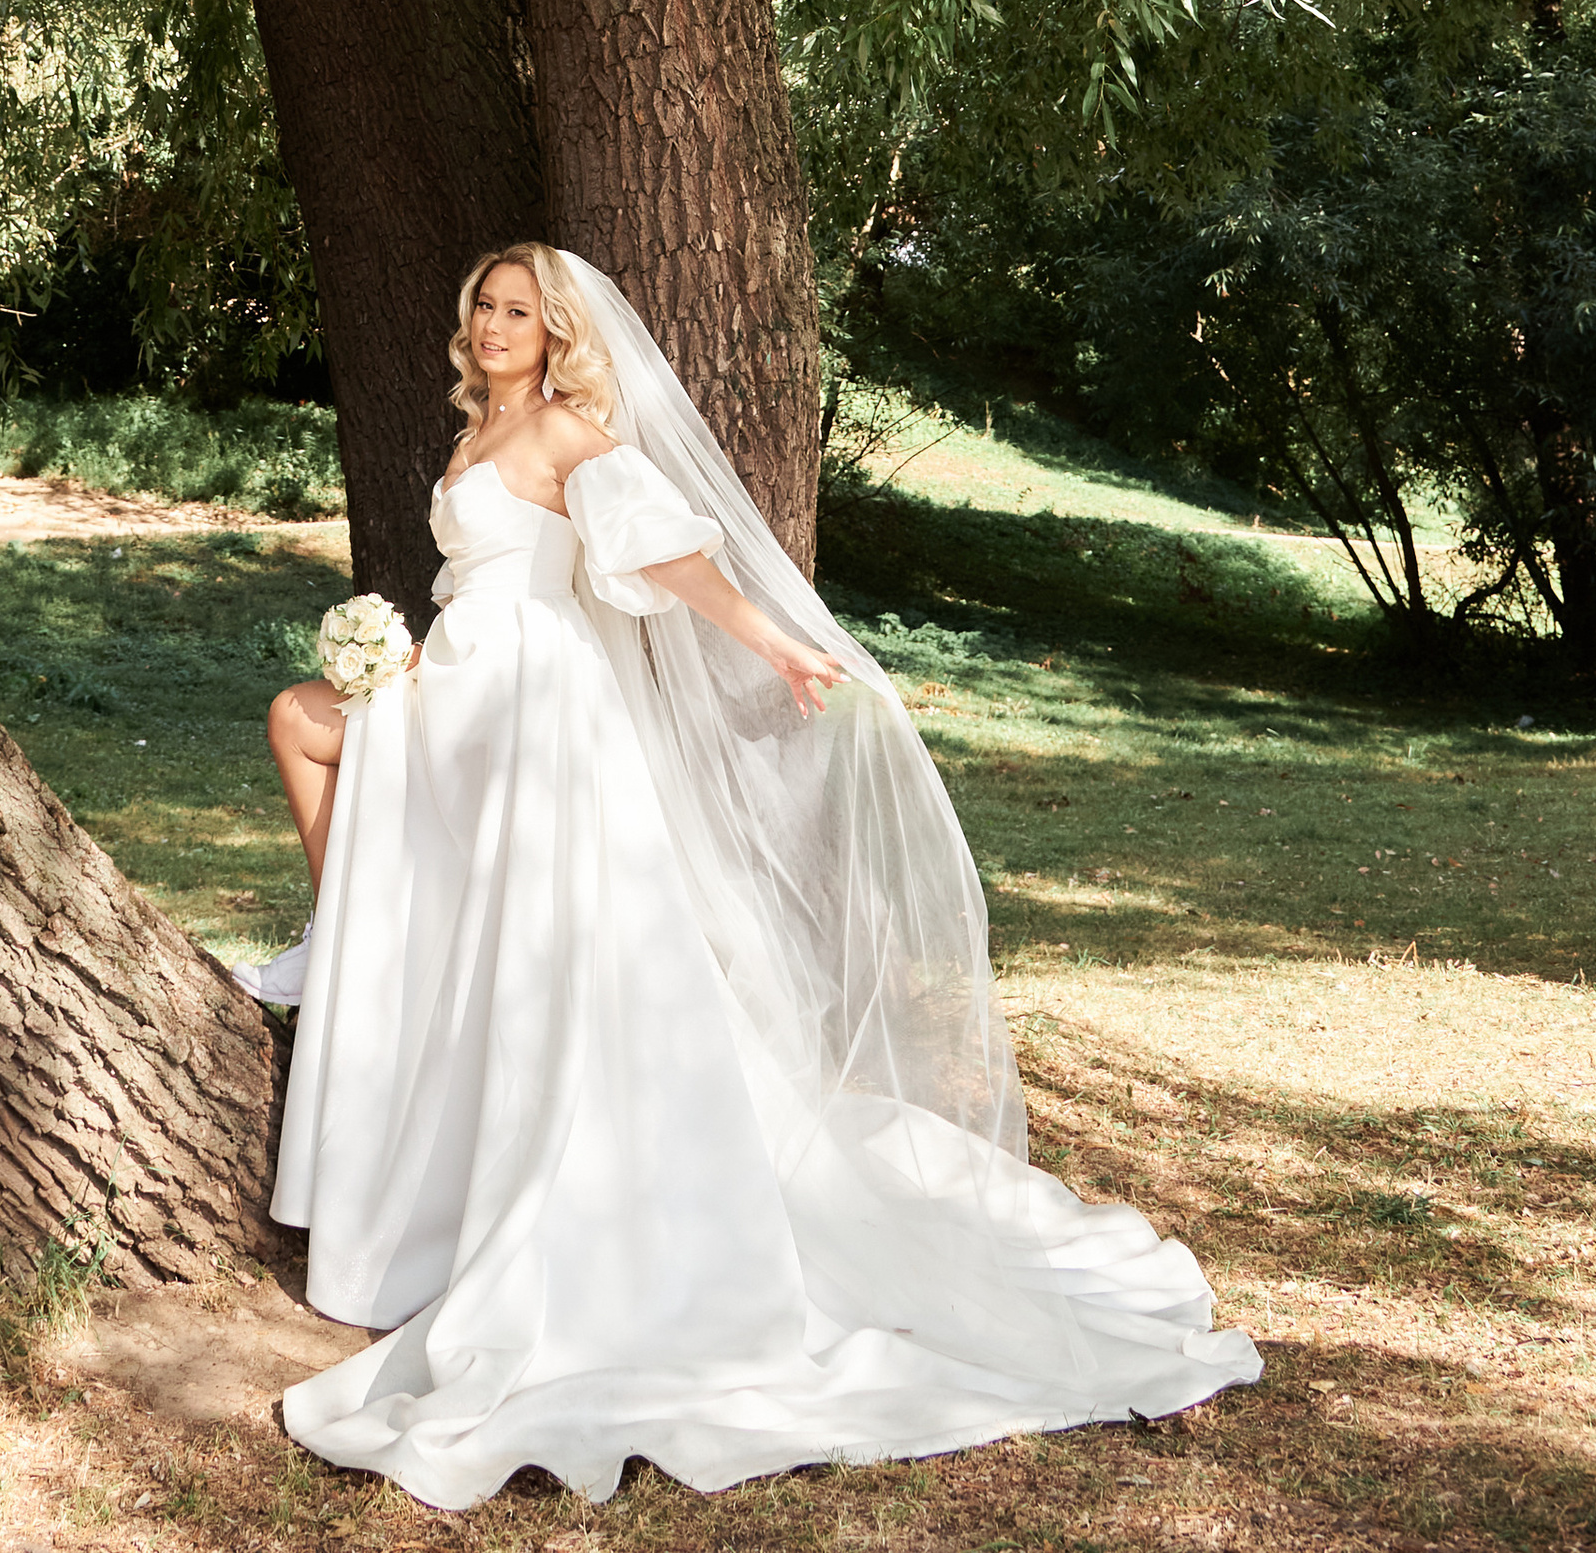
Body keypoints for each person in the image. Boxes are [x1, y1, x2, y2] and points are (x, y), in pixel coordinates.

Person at [243, 242, 1261, 1509]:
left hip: (532, 705)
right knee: (303, 720)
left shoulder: (565, 431)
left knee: (368, 786)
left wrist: (773, 639)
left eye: (519, 311)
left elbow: (664, 557)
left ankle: (380, 975)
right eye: (484, 309)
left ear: (557, 334)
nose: (496, 325)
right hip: (460, 682)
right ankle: (358, 940)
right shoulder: (472, 429)